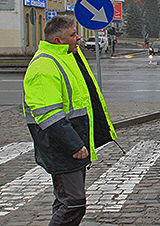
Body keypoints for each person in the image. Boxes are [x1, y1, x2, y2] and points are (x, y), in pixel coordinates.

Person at [23, 16, 117, 226]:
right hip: (61, 145)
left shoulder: (68, 57)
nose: (78, 38)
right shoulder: (44, 66)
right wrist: (74, 144)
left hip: (73, 141)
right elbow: (49, 115)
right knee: (73, 203)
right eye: (73, 35)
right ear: (58, 40)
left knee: (66, 201)